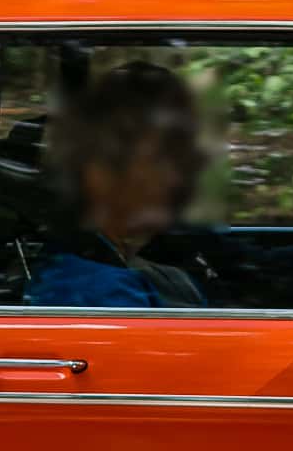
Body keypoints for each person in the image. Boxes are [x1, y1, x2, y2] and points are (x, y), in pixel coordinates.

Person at [22, 58, 212, 306]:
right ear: (99, 172)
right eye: (162, 158)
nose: (179, 177)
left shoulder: (113, 263)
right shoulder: (97, 294)